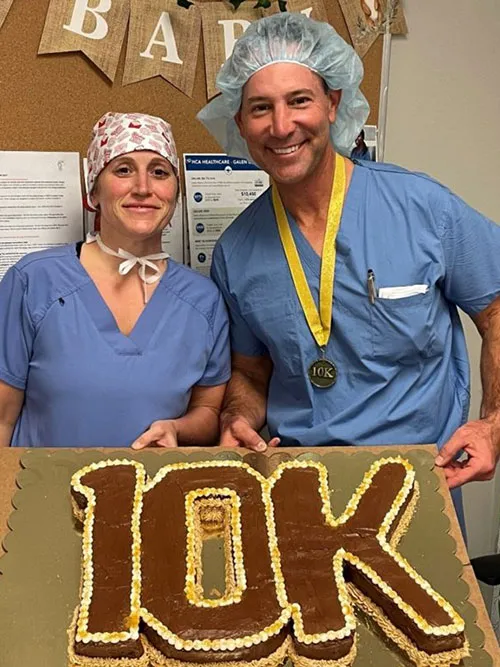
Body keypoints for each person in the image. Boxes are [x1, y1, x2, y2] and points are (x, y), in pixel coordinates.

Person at [198, 13, 500, 502]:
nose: (281, 126)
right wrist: (236, 417)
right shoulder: (237, 250)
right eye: (260, 108)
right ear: (240, 122)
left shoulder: (420, 208)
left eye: (299, 101)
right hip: (297, 487)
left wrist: (494, 424)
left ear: (333, 103)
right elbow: (252, 373)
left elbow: (496, 307)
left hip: (419, 484)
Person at [0, 112, 230, 448]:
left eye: (159, 172)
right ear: (92, 192)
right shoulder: (34, 282)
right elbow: (3, 416)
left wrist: (178, 429)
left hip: (153, 496)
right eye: (123, 170)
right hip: (43, 493)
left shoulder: (202, 301)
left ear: (176, 195)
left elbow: (208, 411)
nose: (142, 188)